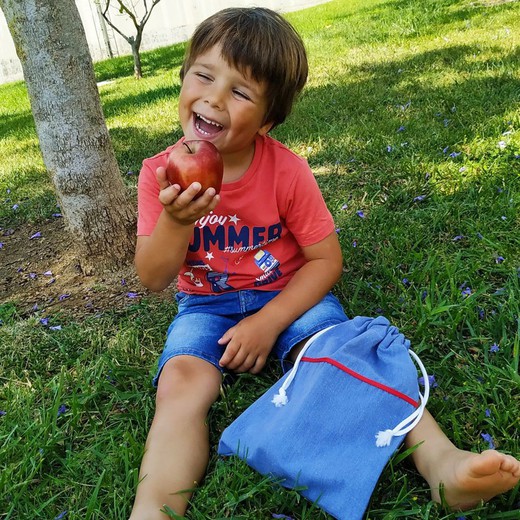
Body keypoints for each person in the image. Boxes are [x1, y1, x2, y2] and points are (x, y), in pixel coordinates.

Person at [131, 7, 520, 519]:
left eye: (241, 91)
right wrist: (177, 222)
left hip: (287, 293)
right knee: (180, 384)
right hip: (205, 304)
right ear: (183, 80)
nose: (214, 96)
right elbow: (153, 278)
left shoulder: (286, 170)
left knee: (349, 354)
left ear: (268, 119)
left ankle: (442, 464)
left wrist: (268, 322)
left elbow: (324, 261)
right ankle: (154, 507)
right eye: (203, 75)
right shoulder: (160, 173)